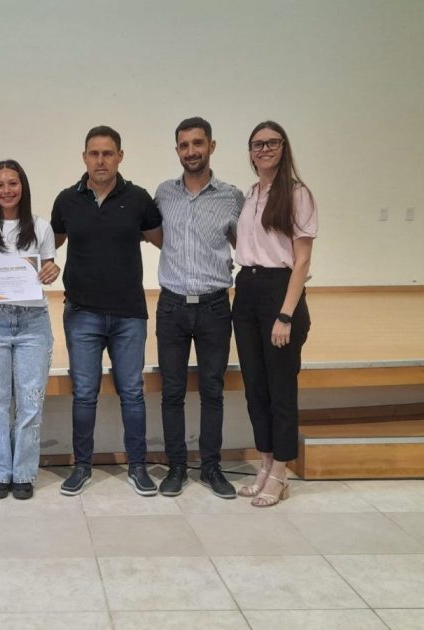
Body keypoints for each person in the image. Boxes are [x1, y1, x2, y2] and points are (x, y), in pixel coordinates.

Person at [51, 125, 162, 496]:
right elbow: (48, 247)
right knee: (84, 394)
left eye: (108, 153)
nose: (101, 160)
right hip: (81, 314)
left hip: (129, 314)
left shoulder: (139, 199)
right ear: (84, 157)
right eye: (94, 153)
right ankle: (81, 466)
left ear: (120, 157)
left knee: (132, 393)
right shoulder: (66, 201)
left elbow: (167, 244)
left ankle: (138, 466)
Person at [154, 117, 245, 499]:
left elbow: (247, 245)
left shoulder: (232, 197)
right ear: (177, 150)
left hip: (214, 307)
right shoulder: (163, 194)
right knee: (172, 391)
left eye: (198, 143)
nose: (191, 151)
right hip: (172, 306)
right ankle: (176, 467)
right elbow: (155, 236)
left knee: (212, 390)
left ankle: (211, 468)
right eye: (184, 145)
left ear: (211, 146)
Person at [0, 160, 61, 500]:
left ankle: (23, 473)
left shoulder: (41, 226)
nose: (7, 190)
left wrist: (52, 271)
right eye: (0, 184)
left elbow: (49, 268)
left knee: (31, 403)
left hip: (33, 322)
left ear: (23, 186)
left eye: (13, 183)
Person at [232, 121, 317, 507]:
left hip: (279, 293)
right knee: (256, 387)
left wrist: (285, 315)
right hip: (247, 291)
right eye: (257, 144)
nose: (264, 149)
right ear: (250, 152)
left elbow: (302, 261)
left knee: (281, 388)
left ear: (284, 147)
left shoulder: (297, 194)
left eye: (271, 143)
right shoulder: (251, 194)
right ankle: (265, 464)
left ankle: (281, 472)